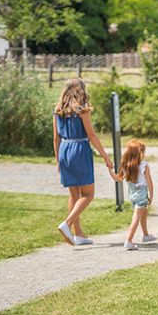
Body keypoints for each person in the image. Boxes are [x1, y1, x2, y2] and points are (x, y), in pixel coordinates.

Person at [53, 77, 115, 246]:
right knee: (88, 194)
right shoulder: (82, 111)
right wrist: (106, 158)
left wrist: (58, 160)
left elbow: (56, 139)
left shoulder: (58, 110)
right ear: (80, 91)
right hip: (79, 150)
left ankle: (78, 234)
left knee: (74, 194)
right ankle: (67, 223)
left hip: (64, 151)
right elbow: (92, 136)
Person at [117, 139, 156, 250]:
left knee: (143, 211)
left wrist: (110, 169)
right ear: (139, 153)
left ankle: (146, 235)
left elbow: (117, 178)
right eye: (143, 152)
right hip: (142, 194)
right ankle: (128, 241)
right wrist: (151, 196)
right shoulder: (144, 165)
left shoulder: (126, 166)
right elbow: (150, 182)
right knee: (136, 218)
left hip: (132, 194)